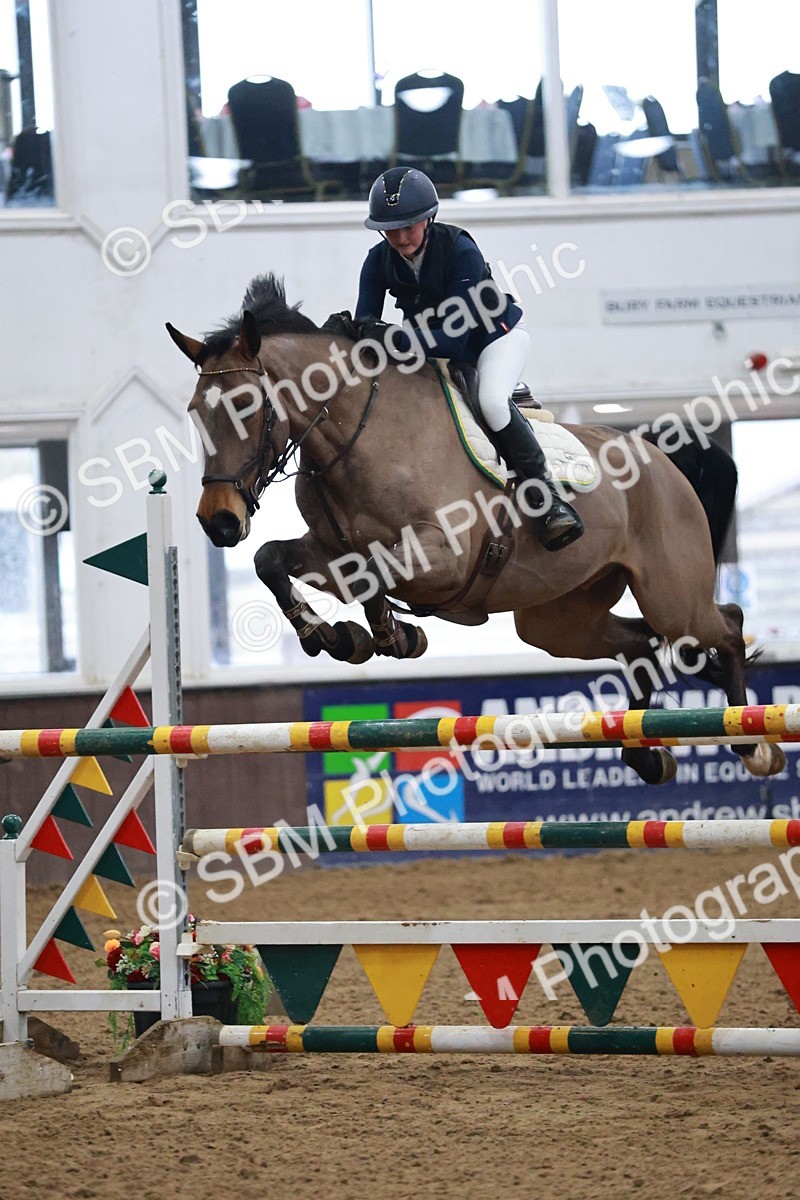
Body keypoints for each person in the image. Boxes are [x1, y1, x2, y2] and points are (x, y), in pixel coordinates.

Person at [355, 166, 583, 551]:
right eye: (390, 230)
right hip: (429, 346)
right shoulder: (378, 260)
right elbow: (366, 325)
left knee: (491, 402)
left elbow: (454, 343)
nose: (400, 237)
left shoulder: (460, 250)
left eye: (408, 227)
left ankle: (546, 500)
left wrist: (390, 337)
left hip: (493, 340)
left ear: (429, 219)